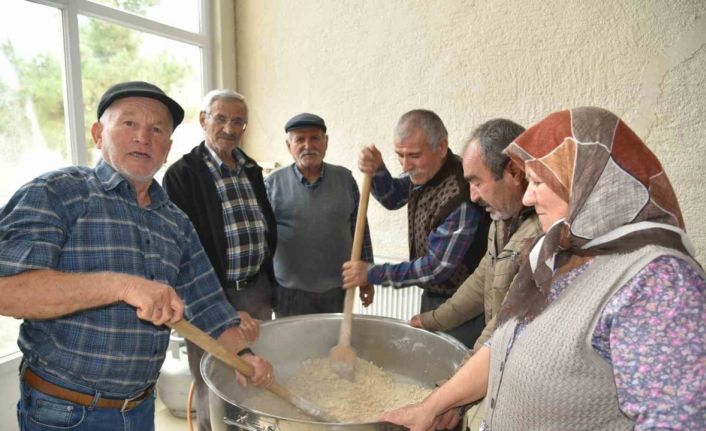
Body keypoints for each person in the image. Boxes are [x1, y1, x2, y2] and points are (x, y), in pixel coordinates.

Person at [379, 107, 705, 431]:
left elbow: (679, 420)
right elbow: (502, 342)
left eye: (537, 181)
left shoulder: (659, 283)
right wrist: (435, 406)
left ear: (586, 183)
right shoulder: (555, 254)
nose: (528, 198)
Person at [0, 81, 274, 431]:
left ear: (167, 148)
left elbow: (209, 306)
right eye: (129, 123)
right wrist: (122, 286)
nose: (144, 136)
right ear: (99, 134)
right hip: (64, 412)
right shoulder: (59, 192)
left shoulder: (174, 222)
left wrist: (243, 355)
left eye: (157, 129)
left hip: (139, 409)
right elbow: (7, 292)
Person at [162, 89, 276, 431]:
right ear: (203, 120)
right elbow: (185, 253)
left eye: (238, 120)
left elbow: (265, 230)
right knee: (212, 384)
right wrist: (226, 308)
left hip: (255, 292)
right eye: (221, 118)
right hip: (210, 298)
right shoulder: (182, 176)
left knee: (252, 378)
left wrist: (267, 288)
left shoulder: (251, 170)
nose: (230, 127)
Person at [342, 109, 491, 348]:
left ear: (441, 147)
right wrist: (378, 169)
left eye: (414, 155)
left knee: (454, 370)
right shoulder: (425, 174)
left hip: (465, 307)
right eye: (399, 155)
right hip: (433, 297)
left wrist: (372, 273)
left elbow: (436, 269)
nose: (405, 165)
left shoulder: (461, 195)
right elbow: (393, 198)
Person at [410, 118, 542, 353]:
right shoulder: (501, 220)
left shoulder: (541, 236)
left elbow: (504, 324)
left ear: (514, 171)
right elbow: (481, 280)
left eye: (477, 182)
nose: (472, 196)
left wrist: (462, 374)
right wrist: (432, 320)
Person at [265, 113, 374, 316]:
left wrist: (367, 277)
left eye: (315, 138)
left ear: (326, 142)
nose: (308, 145)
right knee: (293, 347)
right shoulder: (272, 184)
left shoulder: (345, 179)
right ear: (289, 146)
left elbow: (360, 229)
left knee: (332, 345)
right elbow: (264, 242)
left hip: (337, 289)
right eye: (300, 139)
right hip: (289, 292)